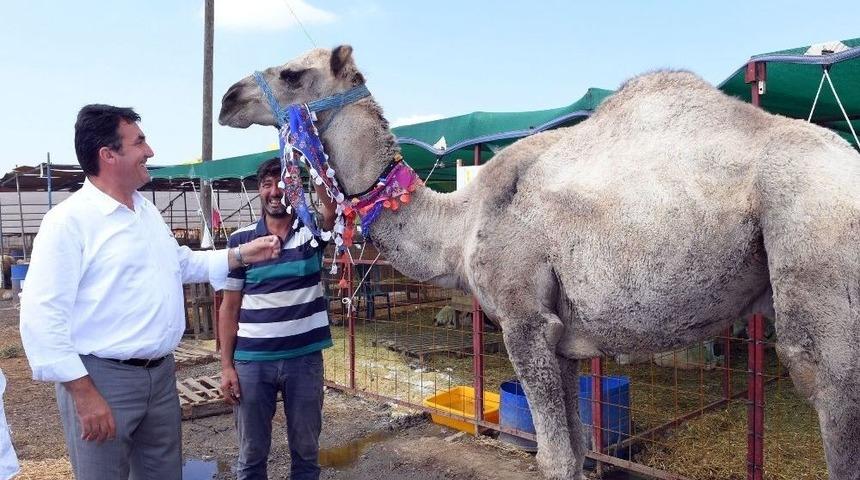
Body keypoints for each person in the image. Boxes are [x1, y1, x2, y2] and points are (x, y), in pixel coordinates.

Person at [19, 104, 281, 480]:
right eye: (139, 142)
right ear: (108, 155)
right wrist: (84, 393)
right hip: (102, 379)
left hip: (159, 377)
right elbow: (41, 319)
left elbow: (180, 264)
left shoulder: (145, 212)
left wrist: (240, 254)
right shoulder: (68, 223)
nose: (150, 151)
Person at [219, 157, 336, 479]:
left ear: (294, 188)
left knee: (306, 451)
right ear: (259, 191)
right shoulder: (241, 241)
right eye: (267, 185)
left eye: (283, 183)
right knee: (252, 453)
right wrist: (227, 366)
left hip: (304, 361)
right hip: (252, 363)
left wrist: (314, 171)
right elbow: (229, 308)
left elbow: (331, 213)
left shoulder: (310, 232)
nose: (275, 192)